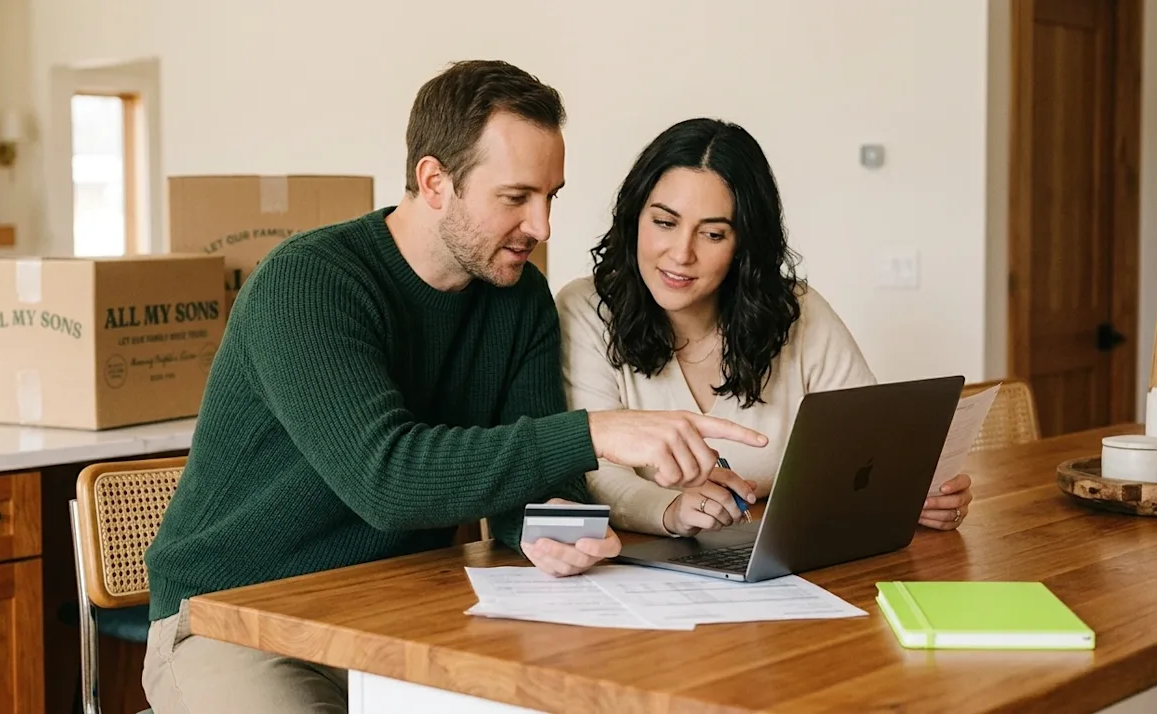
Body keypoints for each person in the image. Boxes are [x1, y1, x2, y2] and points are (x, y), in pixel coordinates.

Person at [140, 65, 767, 714]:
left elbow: (529, 495)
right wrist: (597, 432)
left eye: (551, 196)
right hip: (232, 621)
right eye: (516, 197)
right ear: (435, 182)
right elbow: (386, 478)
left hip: (396, 616)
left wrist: (565, 531)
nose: (543, 226)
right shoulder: (308, 283)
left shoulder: (519, 301)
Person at [557, 117, 974, 538]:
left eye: (713, 234)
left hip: (786, 549)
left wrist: (913, 490)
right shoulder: (586, 309)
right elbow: (592, 468)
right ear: (634, 219)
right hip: (638, 570)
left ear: (744, 246)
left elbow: (870, 441)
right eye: (665, 223)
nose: (681, 254)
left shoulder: (797, 310)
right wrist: (672, 510)